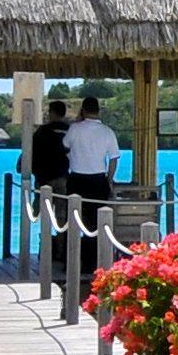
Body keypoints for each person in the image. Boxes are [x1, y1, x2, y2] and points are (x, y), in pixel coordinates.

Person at [58, 94, 122, 316]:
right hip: (97, 180)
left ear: (83, 110)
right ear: (99, 111)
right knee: (97, 225)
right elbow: (114, 158)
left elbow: (64, 146)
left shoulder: (75, 130)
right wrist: (109, 179)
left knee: (74, 222)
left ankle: (73, 262)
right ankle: (96, 264)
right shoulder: (107, 132)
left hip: (77, 179)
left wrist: (76, 123)